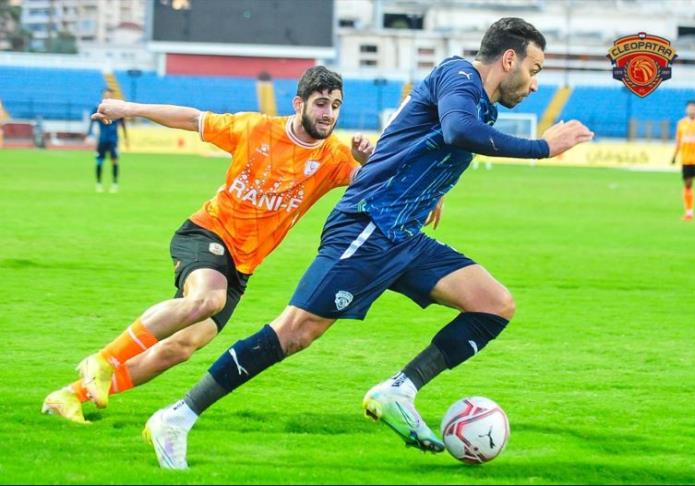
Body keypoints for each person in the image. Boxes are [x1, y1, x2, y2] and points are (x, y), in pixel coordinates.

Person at [143, 17, 594, 470]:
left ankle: (399, 390)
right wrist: (543, 147)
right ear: (509, 59)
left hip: (404, 235)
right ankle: (177, 417)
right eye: (535, 69)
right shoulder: (459, 76)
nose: (535, 84)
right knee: (295, 332)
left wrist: (431, 188)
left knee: (494, 305)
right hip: (368, 224)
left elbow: (415, 134)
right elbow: (457, 131)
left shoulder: (481, 104)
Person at [41, 66, 378, 424]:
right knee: (206, 300)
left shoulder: (334, 157)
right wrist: (128, 109)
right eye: (321, 103)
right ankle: (103, 360)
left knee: (178, 349)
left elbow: (379, 182)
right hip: (207, 233)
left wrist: (367, 162)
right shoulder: (256, 128)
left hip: (242, 268)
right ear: (299, 104)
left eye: (336, 106)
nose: (328, 113)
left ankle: (69, 396)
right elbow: (192, 119)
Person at [87, 88, 130, 193]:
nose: (108, 97)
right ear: (103, 96)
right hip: (102, 139)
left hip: (113, 140)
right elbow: (92, 121)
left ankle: (115, 184)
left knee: (114, 161)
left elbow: (123, 124)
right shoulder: (97, 108)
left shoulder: (117, 110)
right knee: (99, 161)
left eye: (109, 95)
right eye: (106, 95)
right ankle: (98, 184)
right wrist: (89, 134)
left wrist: (125, 138)